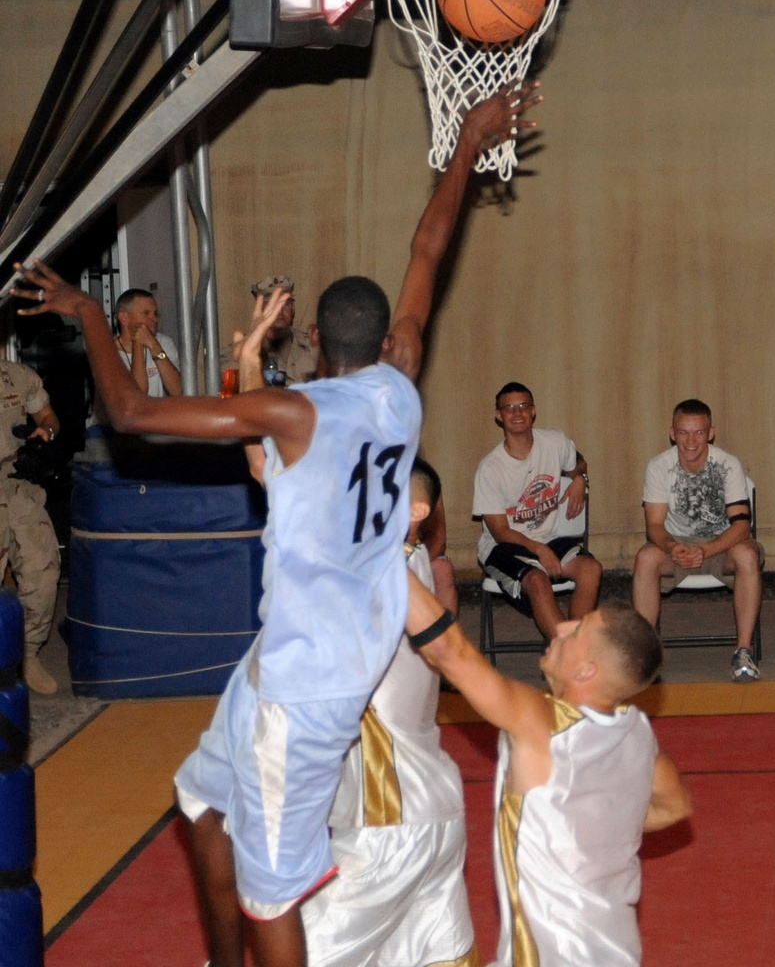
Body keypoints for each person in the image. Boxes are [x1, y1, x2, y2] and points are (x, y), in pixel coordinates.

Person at [14, 84, 538, 967]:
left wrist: (92, 315)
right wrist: (469, 145)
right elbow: (428, 249)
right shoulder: (399, 385)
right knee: (203, 804)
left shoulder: (296, 412)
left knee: (274, 892)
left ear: (317, 346)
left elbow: (134, 412)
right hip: (280, 661)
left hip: (307, 693)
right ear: (381, 343)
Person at [406, 577, 691, 967]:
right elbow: (673, 808)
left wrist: (386, 555)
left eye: (577, 632)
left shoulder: (544, 725)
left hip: (550, 954)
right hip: (617, 949)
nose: (560, 627)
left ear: (587, 671)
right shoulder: (637, 733)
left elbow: (450, 653)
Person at [301, 457, 478, 966]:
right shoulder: (413, 560)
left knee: (291, 952)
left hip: (391, 821)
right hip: (433, 808)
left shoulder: (381, 577)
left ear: (417, 509)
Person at [632, 398, 763, 682]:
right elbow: (654, 525)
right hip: (677, 543)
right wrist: (672, 547)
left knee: (747, 555)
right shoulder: (658, 466)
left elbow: (741, 526)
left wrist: (706, 549)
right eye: (683, 432)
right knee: (645, 558)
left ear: (711, 432)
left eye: (699, 433)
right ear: (672, 433)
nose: (691, 441)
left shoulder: (728, 464)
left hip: (721, 543)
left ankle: (743, 650)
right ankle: (646, 655)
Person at [473, 382, 602, 640]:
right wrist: (539, 550)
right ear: (499, 415)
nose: (517, 413)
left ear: (533, 411)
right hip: (504, 546)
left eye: (523, 406)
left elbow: (578, 462)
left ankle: (571, 649)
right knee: (537, 580)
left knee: (591, 570)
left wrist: (580, 479)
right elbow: (500, 531)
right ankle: (568, 655)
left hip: (549, 537)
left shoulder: (554, 441)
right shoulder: (490, 468)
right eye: (509, 408)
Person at [0, 358, 61, 695]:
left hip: (17, 484)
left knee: (44, 570)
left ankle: (28, 651)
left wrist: (46, 432)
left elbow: (48, 416)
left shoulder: (18, 375)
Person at [244, 276, 318, 384]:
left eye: (286, 304)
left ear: (293, 308)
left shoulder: (315, 349)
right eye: (270, 304)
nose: (279, 310)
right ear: (258, 309)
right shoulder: (243, 352)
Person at [114, 288, 182, 397]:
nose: (154, 319)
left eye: (155, 313)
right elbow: (138, 396)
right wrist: (137, 345)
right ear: (124, 318)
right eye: (146, 313)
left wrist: (155, 346)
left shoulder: (164, 343)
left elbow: (178, 391)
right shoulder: (108, 352)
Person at [415, 457, 459, 614]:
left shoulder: (421, 477)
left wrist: (414, 562)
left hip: (411, 554)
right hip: (369, 559)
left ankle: (447, 634)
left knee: (443, 569)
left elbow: (438, 538)